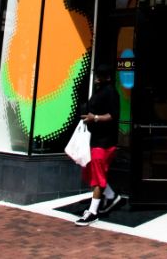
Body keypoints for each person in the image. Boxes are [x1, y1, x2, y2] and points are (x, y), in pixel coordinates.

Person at [75, 66, 123, 226]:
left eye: (100, 75)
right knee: (91, 172)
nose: (96, 77)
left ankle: (93, 212)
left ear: (107, 77)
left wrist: (94, 118)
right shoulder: (98, 90)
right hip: (94, 138)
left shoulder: (110, 92)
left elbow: (113, 115)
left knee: (97, 176)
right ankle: (111, 196)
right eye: (96, 74)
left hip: (105, 141)